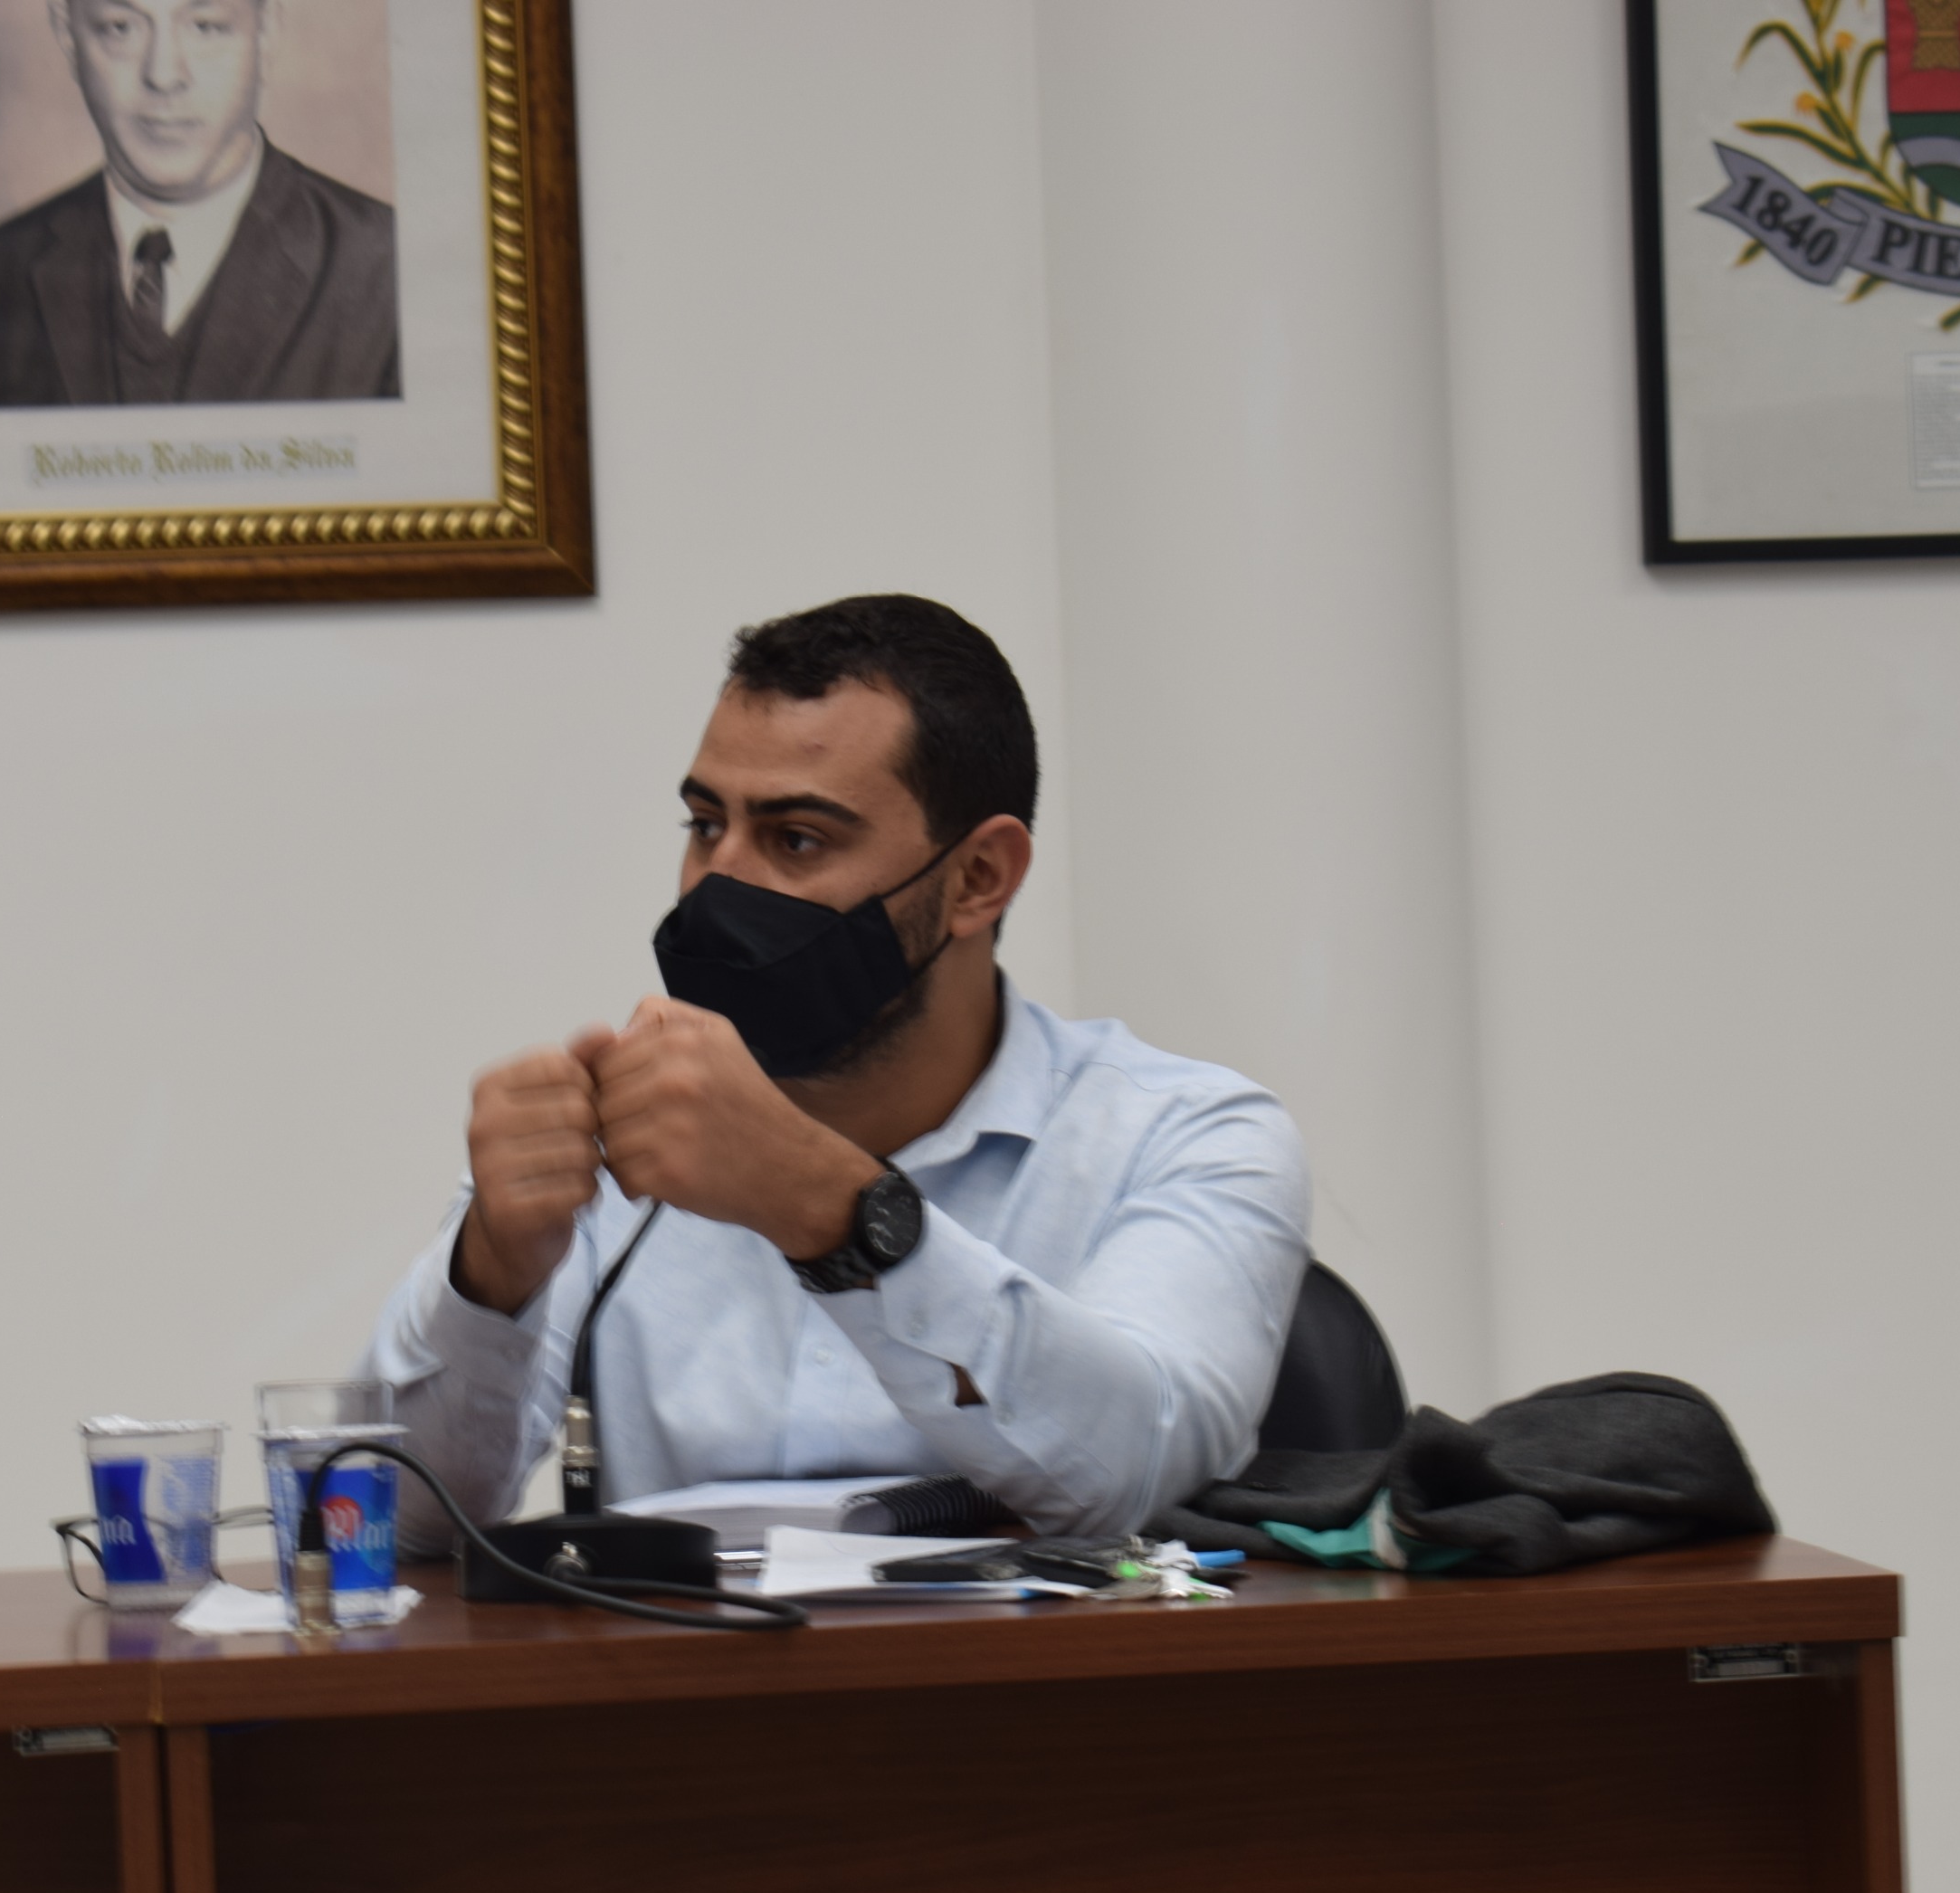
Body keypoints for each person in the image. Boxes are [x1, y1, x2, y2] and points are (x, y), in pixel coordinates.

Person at [366, 595, 1312, 1545]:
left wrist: (834, 1212)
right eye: (705, 824)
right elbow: (389, 1520)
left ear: (978, 877)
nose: (719, 884)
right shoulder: (617, 1129)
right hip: (682, 1643)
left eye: (796, 839)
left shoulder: (1183, 1134)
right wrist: (492, 1271)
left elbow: (1133, 1471)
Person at [0, 0, 402, 408]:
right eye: (120, 28)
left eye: (205, 26)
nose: (163, 75)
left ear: (266, 32)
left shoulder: (391, 269)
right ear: (69, 38)